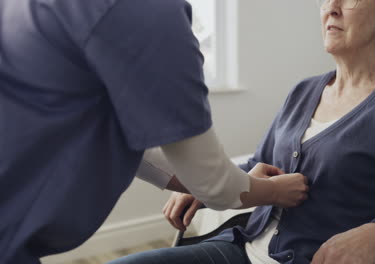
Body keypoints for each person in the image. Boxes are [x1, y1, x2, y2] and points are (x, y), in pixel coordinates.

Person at [107, 0, 375, 263]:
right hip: (242, 249)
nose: (332, 7)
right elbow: (261, 164)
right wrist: (207, 187)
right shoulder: (303, 91)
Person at [0, 0, 310, 263]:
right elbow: (215, 184)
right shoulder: (146, 13)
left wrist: (196, 182)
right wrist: (274, 191)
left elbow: (115, 132)